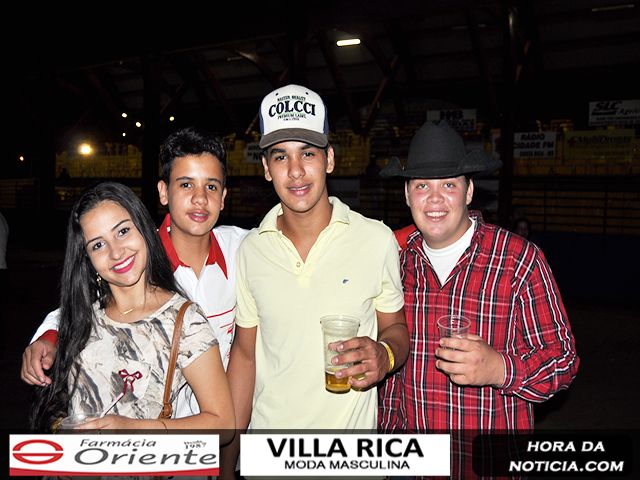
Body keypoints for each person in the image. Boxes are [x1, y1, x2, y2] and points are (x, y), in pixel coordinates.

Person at [222, 84, 408, 473]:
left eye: (307, 153)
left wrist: (385, 355)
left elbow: (396, 328)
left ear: (330, 160)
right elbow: (244, 356)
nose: (295, 171)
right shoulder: (252, 250)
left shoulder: (376, 240)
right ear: (266, 169)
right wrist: (228, 459)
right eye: (280, 156)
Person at [378, 121, 580, 477]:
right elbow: (393, 372)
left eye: (449, 185)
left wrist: (499, 369)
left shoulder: (518, 260)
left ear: (469, 191)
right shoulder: (394, 263)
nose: (435, 199)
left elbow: (563, 361)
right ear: (407, 195)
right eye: (422, 185)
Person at [21, 127, 248, 420]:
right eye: (186, 185)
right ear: (163, 192)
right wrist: (48, 338)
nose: (200, 199)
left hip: (224, 424)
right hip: (164, 426)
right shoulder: (134, 258)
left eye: (211, 187)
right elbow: (81, 306)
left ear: (224, 197)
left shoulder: (244, 248)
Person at [30, 182, 234, 435]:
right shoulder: (83, 316)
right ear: (87, 259)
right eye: (98, 245)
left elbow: (224, 424)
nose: (116, 252)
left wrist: (134, 428)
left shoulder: (185, 322)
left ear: (144, 229)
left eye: (123, 231)